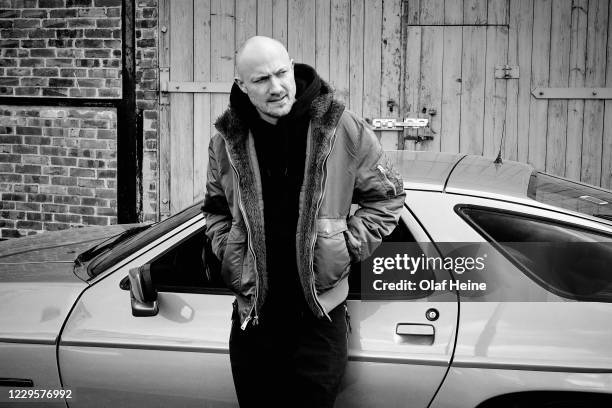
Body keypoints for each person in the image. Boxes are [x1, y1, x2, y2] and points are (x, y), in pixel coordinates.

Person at [202, 36, 405, 407]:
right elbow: (215, 209)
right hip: (254, 322)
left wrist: (346, 244)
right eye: (261, 80)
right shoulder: (226, 140)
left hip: (318, 322)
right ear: (241, 85)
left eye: (282, 73)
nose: (277, 87)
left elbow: (387, 197)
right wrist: (230, 248)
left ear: (292, 66)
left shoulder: (342, 127)